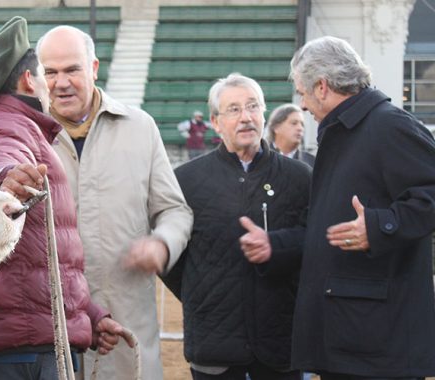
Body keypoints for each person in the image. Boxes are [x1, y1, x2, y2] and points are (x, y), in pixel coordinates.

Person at [0, 17, 133, 380]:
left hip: (22, 339)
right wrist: (4, 178)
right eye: (45, 74)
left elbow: (43, 264)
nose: (52, 85)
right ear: (30, 80)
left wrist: (89, 318)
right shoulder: (4, 124)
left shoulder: (5, 123)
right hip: (22, 347)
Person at [242, 36, 435, 379]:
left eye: (302, 93)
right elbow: (324, 229)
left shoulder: (388, 126)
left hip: (378, 346)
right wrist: (277, 244)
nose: (301, 105)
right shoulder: (344, 134)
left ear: (322, 86)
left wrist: (380, 227)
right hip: (352, 337)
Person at [36, 26, 193, 380]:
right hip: (52, 338)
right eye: (51, 72)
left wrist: (162, 243)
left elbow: (174, 210)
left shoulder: (140, 127)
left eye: (72, 69)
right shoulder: (27, 136)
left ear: (93, 68)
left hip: (129, 334)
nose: (61, 82)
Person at [162, 73, 311, 380]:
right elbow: (170, 257)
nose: (246, 117)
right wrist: (199, 296)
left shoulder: (300, 177)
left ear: (264, 113)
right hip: (213, 345)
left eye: (253, 106)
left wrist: (278, 247)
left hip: (280, 343)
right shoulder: (187, 181)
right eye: (233, 110)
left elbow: (315, 242)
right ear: (216, 123)